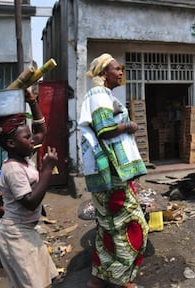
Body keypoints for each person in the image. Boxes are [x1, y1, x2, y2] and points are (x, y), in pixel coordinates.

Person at [78, 53, 148, 288]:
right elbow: (105, 129)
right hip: (110, 174)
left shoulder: (103, 95)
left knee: (109, 227)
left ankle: (101, 278)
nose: (120, 73)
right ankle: (118, 278)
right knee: (134, 226)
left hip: (113, 174)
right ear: (103, 74)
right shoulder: (98, 94)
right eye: (116, 69)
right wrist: (129, 126)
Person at [0, 89, 59, 288]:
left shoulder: (23, 155)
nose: (32, 140)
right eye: (27, 138)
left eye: (30, 137)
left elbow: (41, 132)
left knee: (43, 281)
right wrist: (47, 169)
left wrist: (33, 102)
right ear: (11, 143)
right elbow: (30, 202)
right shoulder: (12, 169)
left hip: (27, 231)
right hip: (15, 236)